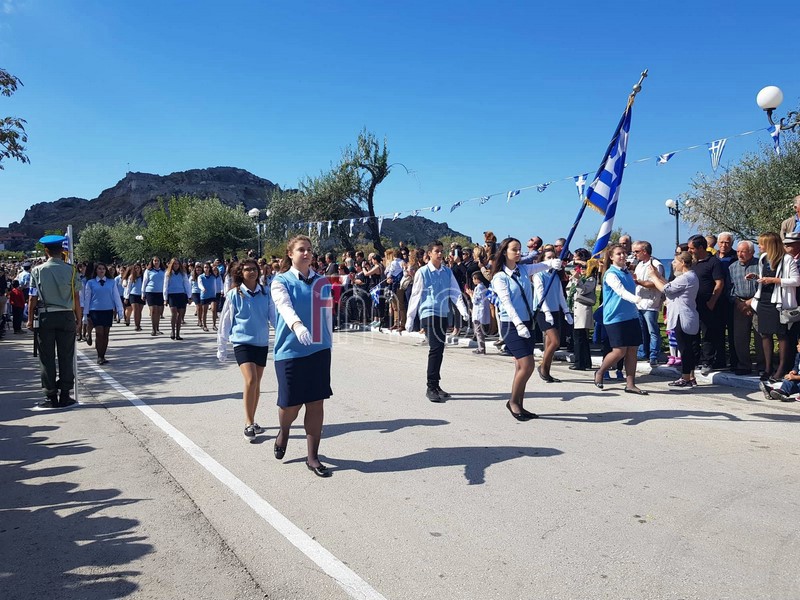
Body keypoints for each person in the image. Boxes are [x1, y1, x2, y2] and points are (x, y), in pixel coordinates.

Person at [270, 235, 334, 477]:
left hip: (318, 349)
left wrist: (329, 344)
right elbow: (284, 306)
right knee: (290, 404)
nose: (306, 253)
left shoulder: (322, 282)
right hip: (290, 350)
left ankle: (313, 457)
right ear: (290, 254)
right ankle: (285, 430)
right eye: (301, 249)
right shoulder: (281, 281)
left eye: (309, 249)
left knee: (316, 403)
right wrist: (297, 326)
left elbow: (326, 315)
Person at [490, 237, 563, 420]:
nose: (518, 253)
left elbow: (539, 267)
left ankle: (519, 404)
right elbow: (506, 303)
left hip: (527, 322)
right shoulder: (500, 277)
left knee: (520, 366)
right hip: (511, 325)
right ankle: (513, 402)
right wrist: (518, 324)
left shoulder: (523, 269)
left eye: (519, 249)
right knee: (528, 365)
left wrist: (552, 263)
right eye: (514, 249)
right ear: (504, 252)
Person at [218, 258, 275, 442]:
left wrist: (287, 333)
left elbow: (274, 317)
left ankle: (252, 419)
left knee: (256, 383)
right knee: (250, 380)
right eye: (247, 269)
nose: (252, 272)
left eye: (254, 269)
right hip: (242, 342)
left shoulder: (266, 292)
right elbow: (225, 322)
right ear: (240, 273)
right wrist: (222, 346)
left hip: (261, 342)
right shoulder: (234, 294)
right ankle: (248, 423)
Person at [405, 240, 470, 403]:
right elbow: (415, 295)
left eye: (442, 251)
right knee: (435, 348)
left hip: (442, 313)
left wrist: (463, 310)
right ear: (429, 254)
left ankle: (436, 384)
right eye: (436, 251)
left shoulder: (447, 272)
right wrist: (410, 318)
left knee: (439, 349)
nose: (440, 254)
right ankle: (431, 387)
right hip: (428, 312)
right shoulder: (423, 272)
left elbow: (455, 292)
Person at [27, 235, 82, 409]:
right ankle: (65, 394)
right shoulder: (71, 270)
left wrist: (29, 319)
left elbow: (32, 298)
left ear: (46, 251)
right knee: (66, 356)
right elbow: (76, 297)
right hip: (66, 315)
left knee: (47, 358)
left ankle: (51, 396)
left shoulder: (37, 271)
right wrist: (79, 319)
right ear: (62, 250)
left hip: (46, 316)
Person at [593, 245, 647, 394]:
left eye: (624, 253)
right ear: (611, 257)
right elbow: (621, 291)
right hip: (615, 317)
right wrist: (637, 300)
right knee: (619, 351)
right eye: (618, 254)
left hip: (631, 316)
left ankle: (630, 384)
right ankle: (600, 371)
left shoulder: (627, 272)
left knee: (632, 350)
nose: (622, 256)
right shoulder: (611, 274)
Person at [648, 251, 700, 388]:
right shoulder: (688, 276)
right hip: (685, 315)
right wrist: (659, 276)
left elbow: (665, 289)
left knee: (684, 349)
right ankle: (691, 376)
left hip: (681, 317)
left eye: (675, 261)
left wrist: (653, 277)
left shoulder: (686, 278)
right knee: (687, 347)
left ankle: (686, 377)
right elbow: (670, 285)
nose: (673, 264)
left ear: (682, 263)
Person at [752, 232, 800, 380]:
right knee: (765, 334)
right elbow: (764, 278)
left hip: (778, 301)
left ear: (770, 245)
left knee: (781, 334)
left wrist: (774, 280)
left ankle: (781, 368)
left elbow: (796, 281)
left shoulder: (787, 259)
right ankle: (768, 368)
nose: (759, 246)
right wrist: (757, 278)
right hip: (764, 299)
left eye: (762, 243)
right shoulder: (763, 258)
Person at [687, 235, 725, 375]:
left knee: (708, 334)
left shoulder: (714, 262)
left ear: (701, 248)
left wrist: (712, 301)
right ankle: (694, 359)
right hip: (693, 305)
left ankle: (707, 361)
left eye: (692, 248)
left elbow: (719, 283)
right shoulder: (693, 263)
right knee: (693, 334)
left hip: (708, 304)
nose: (689, 251)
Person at [532, 249, 571, 383]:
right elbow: (540, 295)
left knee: (550, 343)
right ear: (543, 260)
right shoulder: (539, 275)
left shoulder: (555, 276)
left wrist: (566, 311)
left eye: (553, 257)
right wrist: (547, 312)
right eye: (548, 257)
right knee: (555, 342)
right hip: (543, 311)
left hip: (555, 310)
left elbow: (560, 295)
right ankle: (543, 367)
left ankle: (546, 371)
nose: (552, 260)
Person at [728, 240, 763, 375]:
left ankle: (762, 365)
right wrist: (739, 303)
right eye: (738, 251)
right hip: (739, 305)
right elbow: (729, 288)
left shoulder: (760, 265)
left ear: (752, 252)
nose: (740, 254)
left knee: (760, 335)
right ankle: (744, 365)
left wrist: (750, 302)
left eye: (743, 251)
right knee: (740, 336)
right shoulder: (732, 267)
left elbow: (764, 287)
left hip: (757, 303)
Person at [83, 263, 124, 365]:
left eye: (103, 269)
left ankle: (103, 355)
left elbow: (116, 296)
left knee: (106, 334)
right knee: (99, 333)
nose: (101, 271)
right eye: (99, 269)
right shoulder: (91, 283)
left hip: (108, 310)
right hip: (95, 310)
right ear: (96, 270)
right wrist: (85, 314)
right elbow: (87, 299)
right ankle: (99, 356)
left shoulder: (111, 282)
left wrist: (120, 310)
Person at [632, 241, 665, 367]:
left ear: (644, 251)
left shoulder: (656, 265)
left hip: (650, 303)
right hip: (639, 301)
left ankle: (654, 355)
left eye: (637, 251)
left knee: (652, 330)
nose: (634, 254)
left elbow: (656, 283)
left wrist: (638, 282)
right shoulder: (639, 264)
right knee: (641, 329)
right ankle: (642, 352)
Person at [568, 255, 598, 371]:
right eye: (580, 268)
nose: (581, 270)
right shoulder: (579, 278)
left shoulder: (591, 280)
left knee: (581, 338)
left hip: (582, 311)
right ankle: (583, 362)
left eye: (584, 268)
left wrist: (577, 280)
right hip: (573, 310)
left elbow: (582, 290)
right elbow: (569, 291)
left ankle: (580, 362)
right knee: (578, 337)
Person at [163, 258, 191, 340]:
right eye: (174, 264)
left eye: (177, 264)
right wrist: (165, 298)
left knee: (180, 315)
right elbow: (165, 286)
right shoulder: (168, 273)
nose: (176, 265)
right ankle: (173, 331)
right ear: (171, 265)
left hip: (181, 295)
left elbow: (187, 284)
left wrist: (189, 296)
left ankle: (178, 333)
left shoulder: (183, 273)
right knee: (174, 314)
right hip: (172, 295)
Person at [466, 270, 490, 354]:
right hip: (482, 311)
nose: (473, 281)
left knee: (478, 331)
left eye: (474, 279)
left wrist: (470, 294)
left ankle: (481, 348)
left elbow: (475, 301)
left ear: (477, 279)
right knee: (479, 330)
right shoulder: (484, 287)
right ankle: (481, 347)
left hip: (478, 312)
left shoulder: (478, 288)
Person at [142, 256, 166, 336]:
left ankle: (157, 328)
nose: (156, 262)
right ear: (152, 262)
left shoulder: (163, 271)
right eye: (155, 261)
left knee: (159, 311)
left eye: (158, 261)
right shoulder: (148, 271)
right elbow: (144, 282)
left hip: (160, 292)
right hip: (150, 292)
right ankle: (153, 329)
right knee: (153, 310)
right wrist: (143, 293)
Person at [125, 263, 145, 331]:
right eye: (135, 268)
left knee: (139, 311)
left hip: (141, 295)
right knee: (136, 310)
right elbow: (128, 287)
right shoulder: (131, 276)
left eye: (138, 268)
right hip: (133, 295)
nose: (137, 269)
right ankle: (136, 325)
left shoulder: (143, 276)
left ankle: (139, 324)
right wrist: (127, 297)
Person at [198, 262, 218, 332]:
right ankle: (204, 325)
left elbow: (215, 284)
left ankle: (214, 325)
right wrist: (203, 288)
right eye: (205, 267)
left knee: (214, 310)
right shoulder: (200, 276)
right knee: (205, 311)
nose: (206, 269)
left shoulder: (213, 276)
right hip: (204, 295)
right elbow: (199, 284)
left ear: (210, 268)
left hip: (212, 295)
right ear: (203, 268)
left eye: (207, 267)